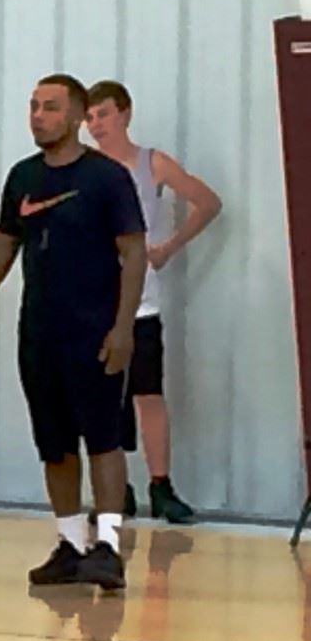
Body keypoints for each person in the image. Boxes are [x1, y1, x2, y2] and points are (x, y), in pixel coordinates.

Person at [0, 74, 147, 591]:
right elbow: (2, 248)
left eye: (50, 108)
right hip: (39, 334)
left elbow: (134, 252)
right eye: (33, 106)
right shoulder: (23, 177)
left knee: (102, 441)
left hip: (96, 332)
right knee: (53, 445)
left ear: (78, 116)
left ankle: (108, 546)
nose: (38, 116)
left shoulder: (106, 178)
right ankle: (71, 543)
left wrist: (124, 328)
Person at [86, 80, 221, 524]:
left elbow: (207, 202)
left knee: (148, 394)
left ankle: (160, 486)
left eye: (102, 114)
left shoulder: (151, 163)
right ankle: (114, 490)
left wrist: (167, 247)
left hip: (140, 303)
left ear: (124, 113)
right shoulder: (85, 168)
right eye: (88, 117)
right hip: (93, 305)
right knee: (102, 399)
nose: (95, 124)